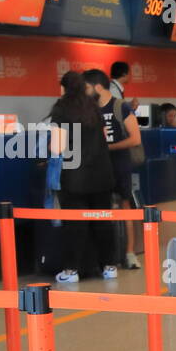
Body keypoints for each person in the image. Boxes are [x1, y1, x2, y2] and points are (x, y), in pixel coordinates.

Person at [48, 71, 117, 283]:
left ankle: (71, 271)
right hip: (102, 174)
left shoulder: (61, 109)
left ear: (64, 88)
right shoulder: (93, 107)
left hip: (75, 176)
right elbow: (104, 137)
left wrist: (50, 149)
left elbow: (58, 146)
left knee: (75, 225)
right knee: (103, 222)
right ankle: (109, 266)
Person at [85, 68, 143, 269]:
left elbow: (135, 138)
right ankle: (107, 257)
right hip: (99, 168)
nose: (85, 92)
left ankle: (129, 253)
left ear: (97, 87)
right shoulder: (90, 110)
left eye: (86, 87)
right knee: (101, 210)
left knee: (125, 206)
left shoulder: (120, 107)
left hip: (119, 165)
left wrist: (108, 147)